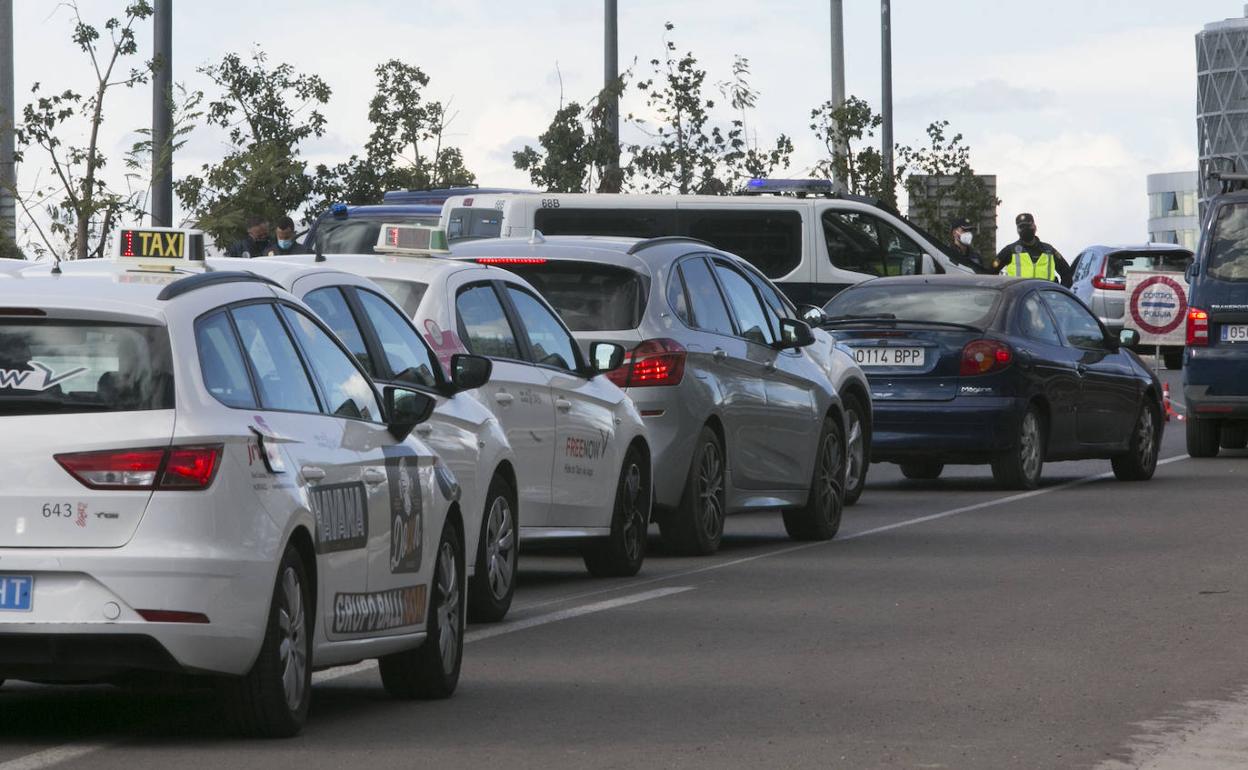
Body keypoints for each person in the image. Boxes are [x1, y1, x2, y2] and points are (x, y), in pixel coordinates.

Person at [994, 212, 1072, 286]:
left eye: (1028, 226)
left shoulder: (1049, 250)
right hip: (1019, 297)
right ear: (1017, 230)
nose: (1025, 229)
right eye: (1021, 227)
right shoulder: (1010, 250)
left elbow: (1067, 274)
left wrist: (1057, 294)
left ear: (1035, 227)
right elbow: (991, 272)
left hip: (1045, 297)